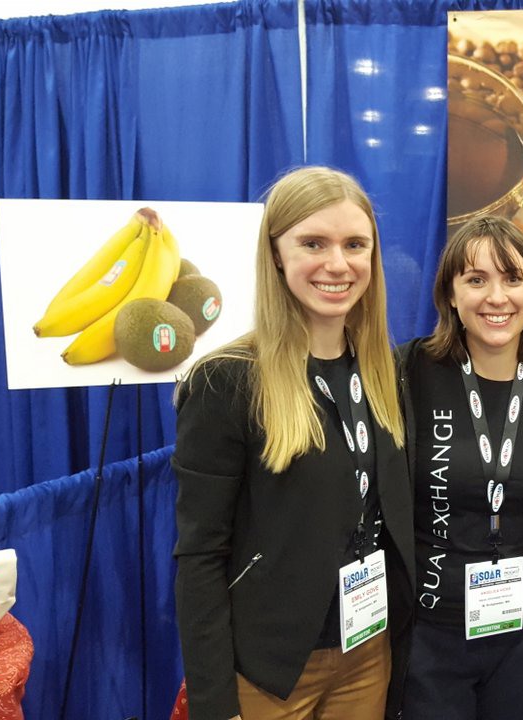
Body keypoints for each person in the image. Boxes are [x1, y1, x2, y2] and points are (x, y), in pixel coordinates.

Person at [173, 166, 414, 720]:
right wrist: (215, 704)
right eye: (313, 243)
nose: (338, 264)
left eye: (355, 244)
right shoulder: (227, 380)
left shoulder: (385, 371)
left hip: (367, 650)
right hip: (271, 669)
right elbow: (200, 554)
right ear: (276, 254)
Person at [398, 216, 523, 719]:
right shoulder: (409, 373)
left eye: (513, 278)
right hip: (429, 632)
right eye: (476, 279)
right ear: (450, 294)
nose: (496, 297)